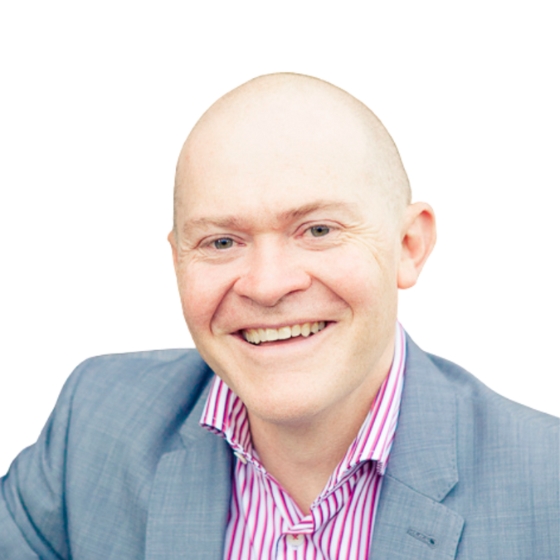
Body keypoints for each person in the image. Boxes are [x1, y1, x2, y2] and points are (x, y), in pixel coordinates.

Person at [0, 73, 558, 559]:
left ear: (409, 246)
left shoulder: (547, 487)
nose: (267, 286)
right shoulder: (94, 425)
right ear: (178, 262)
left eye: (318, 230)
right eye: (221, 242)